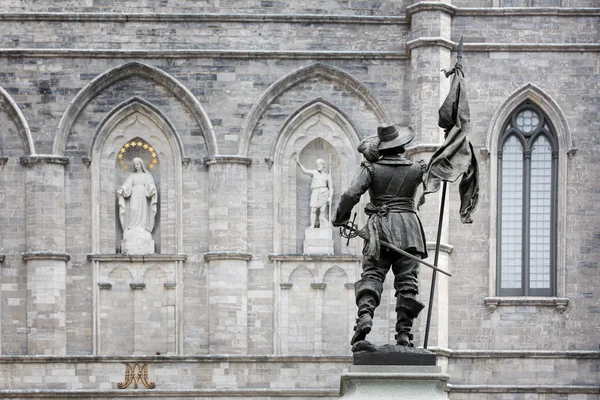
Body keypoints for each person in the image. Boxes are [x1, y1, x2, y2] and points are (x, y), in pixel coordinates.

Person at [333, 125, 427, 347]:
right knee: (407, 283)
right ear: (402, 146)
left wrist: (340, 217)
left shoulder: (371, 169)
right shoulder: (417, 168)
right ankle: (404, 334)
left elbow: (350, 194)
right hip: (409, 230)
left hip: (379, 230)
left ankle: (365, 315)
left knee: (373, 275)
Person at [117, 157, 158, 235]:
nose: (136, 166)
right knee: (134, 208)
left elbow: (150, 184)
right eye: (135, 165)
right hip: (134, 194)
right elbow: (127, 184)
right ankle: (133, 225)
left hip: (143, 194)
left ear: (141, 164)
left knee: (142, 210)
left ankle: (143, 226)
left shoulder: (146, 175)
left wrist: (152, 189)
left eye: (138, 164)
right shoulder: (132, 175)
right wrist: (122, 189)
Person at [295, 156, 333, 228]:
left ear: (323, 165)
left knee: (322, 210)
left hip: (324, 192)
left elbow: (331, 187)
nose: (318, 166)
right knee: (313, 209)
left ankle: (322, 226)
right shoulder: (314, 172)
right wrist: (299, 163)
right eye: (317, 164)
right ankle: (312, 225)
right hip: (315, 191)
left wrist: (330, 197)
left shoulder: (327, 176)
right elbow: (305, 171)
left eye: (320, 164)